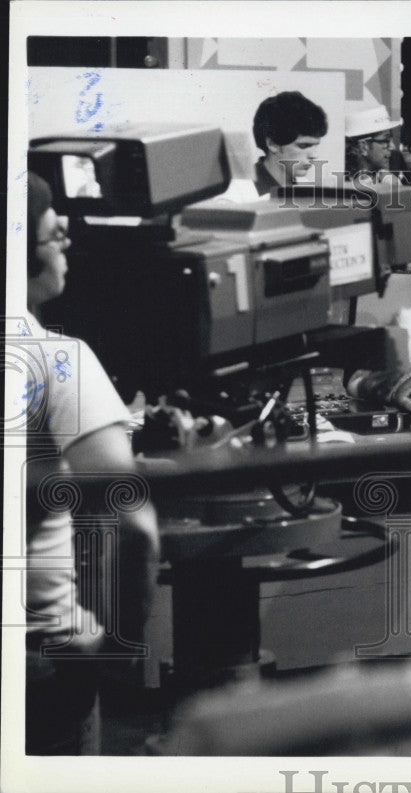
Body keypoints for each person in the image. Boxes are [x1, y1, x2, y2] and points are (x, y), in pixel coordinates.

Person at [21, 172, 160, 753]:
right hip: (39, 659)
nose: (68, 244)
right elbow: (132, 523)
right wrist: (115, 647)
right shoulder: (57, 361)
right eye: (55, 235)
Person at [251, 91, 329, 196]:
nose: (314, 156)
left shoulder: (308, 189)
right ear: (273, 144)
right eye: (304, 145)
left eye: (316, 145)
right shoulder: (238, 193)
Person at [345, 104, 403, 187]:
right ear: (363, 147)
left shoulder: (389, 181)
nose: (392, 146)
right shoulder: (345, 185)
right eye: (385, 141)